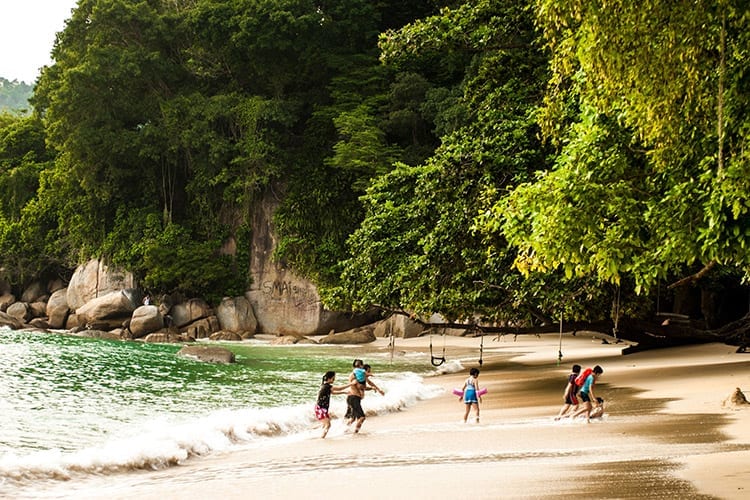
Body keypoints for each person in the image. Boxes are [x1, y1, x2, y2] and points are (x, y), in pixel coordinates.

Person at [314, 371, 349, 438]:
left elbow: (333, 392)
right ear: (329, 379)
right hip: (320, 408)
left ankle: (314, 433)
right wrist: (350, 384)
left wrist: (343, 392)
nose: (334, 380)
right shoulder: (327, 386)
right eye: (333, 378)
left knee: (325, 424)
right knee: (328, 425)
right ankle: (322, 438)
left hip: (322, 408)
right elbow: (339, 388)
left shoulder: (324, 385)